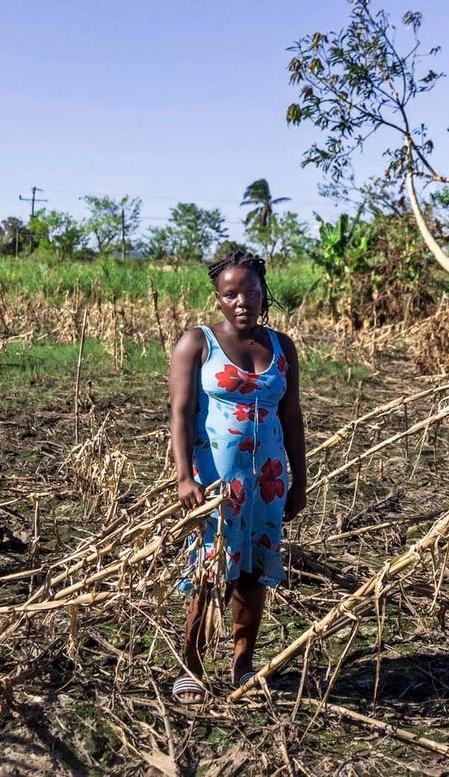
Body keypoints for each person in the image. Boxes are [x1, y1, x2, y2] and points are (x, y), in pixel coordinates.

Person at [167, 250, 307, 704]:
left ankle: (243, 661)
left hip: (266, 482)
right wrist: (184, 476)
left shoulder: (282, 347)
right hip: (215, 485)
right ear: (219, 299)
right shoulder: (197, 342)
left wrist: (298, 479)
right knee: (209, 569)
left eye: (250, 291)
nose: (242, 300)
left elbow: (292, 417)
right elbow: (181, 413)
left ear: (264, 292)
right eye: (232, 293)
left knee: (253, 569)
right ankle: (191, 663)